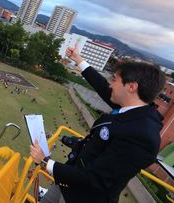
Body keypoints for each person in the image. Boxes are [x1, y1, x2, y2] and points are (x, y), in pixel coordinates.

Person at [30, 43, 166, 203]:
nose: (110, 84)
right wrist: (78, 59)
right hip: (68, 182)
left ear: (131, 87)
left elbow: (95, 179)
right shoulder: (135, 109)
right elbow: (102, 87)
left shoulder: (142, 135)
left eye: (114, 80)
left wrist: (45, 161)